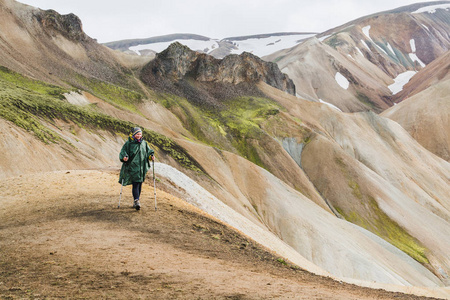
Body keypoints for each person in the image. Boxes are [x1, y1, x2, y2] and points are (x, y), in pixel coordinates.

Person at [119, 127, 155, 210]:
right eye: (137, 134)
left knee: (139, 184)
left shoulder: (144, 143)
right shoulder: (128, 144)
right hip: (133, 167)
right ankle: (136, 201)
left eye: (140, 134)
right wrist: (124, 157)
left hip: (142, 168)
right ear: (134, 135)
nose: (139, 136)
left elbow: (149, 152)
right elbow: (123, 152)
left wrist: (151, 156)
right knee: (135, 184)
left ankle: (136, 200)